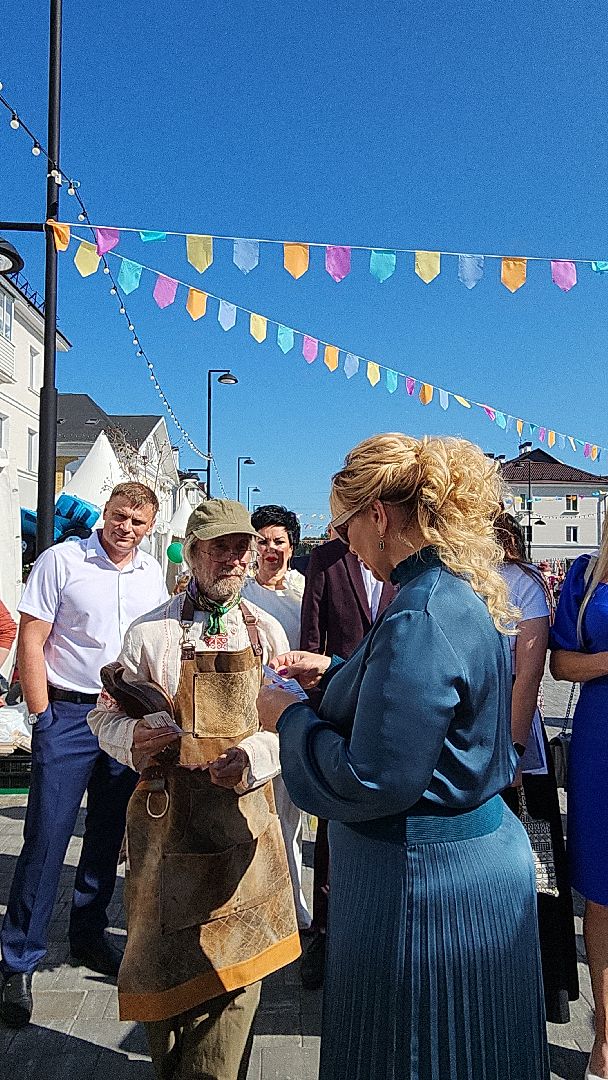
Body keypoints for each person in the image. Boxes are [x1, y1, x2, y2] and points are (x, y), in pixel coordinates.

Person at [257, 433, 549, 1080]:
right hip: (459, 861)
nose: (345, 542)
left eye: (344, 525)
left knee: (417, 1053)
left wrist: (289, 716)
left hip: (429, 886)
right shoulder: (449, 588)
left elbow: (373, 776)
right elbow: (425, 701)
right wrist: (334, 673)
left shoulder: (421, 611)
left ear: (379, 516)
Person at [88, 499, 300, 1080]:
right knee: (163, 971)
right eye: (220, 547)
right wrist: (133, 734)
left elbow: (286, 727)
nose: (234, 559)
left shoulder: (267, 631)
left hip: (244, 826)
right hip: (166, 822)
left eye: (242, 547)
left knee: (237, 974)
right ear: (194, 552)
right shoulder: (149, 631)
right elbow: (100, 717)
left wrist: (253, 757)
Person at [0, 482, 168, 1029]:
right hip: (68, 715)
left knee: (104, 836)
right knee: (47, 837)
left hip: (124, 716)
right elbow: (32, 635)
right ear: (106, 514)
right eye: (120, 517)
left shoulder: (150, 574)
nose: (127, 528)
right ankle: (18, 959)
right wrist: (41, 713)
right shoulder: (61, 559)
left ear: (149, 526)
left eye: (138, 522)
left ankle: (89, 936)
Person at [298, 530, 397, 987]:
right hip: (339, 704)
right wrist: (317, 706)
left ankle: (372, 936)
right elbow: (312, 635)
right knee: (331, 826)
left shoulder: (405, 557)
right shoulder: (327, 559)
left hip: (392, 706)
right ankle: (324, 931)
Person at [496, 512, 578, 1023]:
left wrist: (514, 749)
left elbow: (529, 680)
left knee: (538, 863)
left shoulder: (522, 584)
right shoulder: (455, 575)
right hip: (471, 740)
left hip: (516, 742)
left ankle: (548, 983)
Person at [550, 524, 608, 1080]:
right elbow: (562, 665)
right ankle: (606, 1040)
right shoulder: (587, 574)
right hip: (602, 743)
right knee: (601, 893)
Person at [241, 504, 311, 931]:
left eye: (279, 542)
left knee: (291, 815)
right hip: (250, 714)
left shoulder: (306, 590)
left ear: (292, 545)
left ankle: (295, 906)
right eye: (263, 542)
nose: (271, 550)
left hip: (295, 712)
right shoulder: (242, 593)